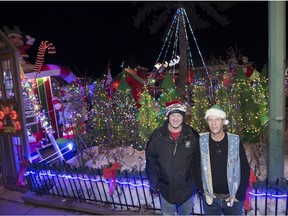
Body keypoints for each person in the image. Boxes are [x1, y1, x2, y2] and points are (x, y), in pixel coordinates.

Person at [145, 100, 201, 215]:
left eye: (179, 115)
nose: (176, 118)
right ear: (168, 117)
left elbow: (198, 161)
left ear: (183, 117)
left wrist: (198, 183)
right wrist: (154, 183)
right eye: (173, 115)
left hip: (187, 188)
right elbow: (151, 161)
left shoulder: (191, 135)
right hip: (166, 188)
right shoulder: (157, 135)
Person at [199, 104, 250, 215]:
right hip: (211, 199)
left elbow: (245, 168)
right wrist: (202, 191)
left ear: (223, 121)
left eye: (217, 119)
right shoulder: (201, 141)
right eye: (210, 120)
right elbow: (195, 168)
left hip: (233, 198)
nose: (213, 123)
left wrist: (240, 194)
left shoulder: (234, 141)